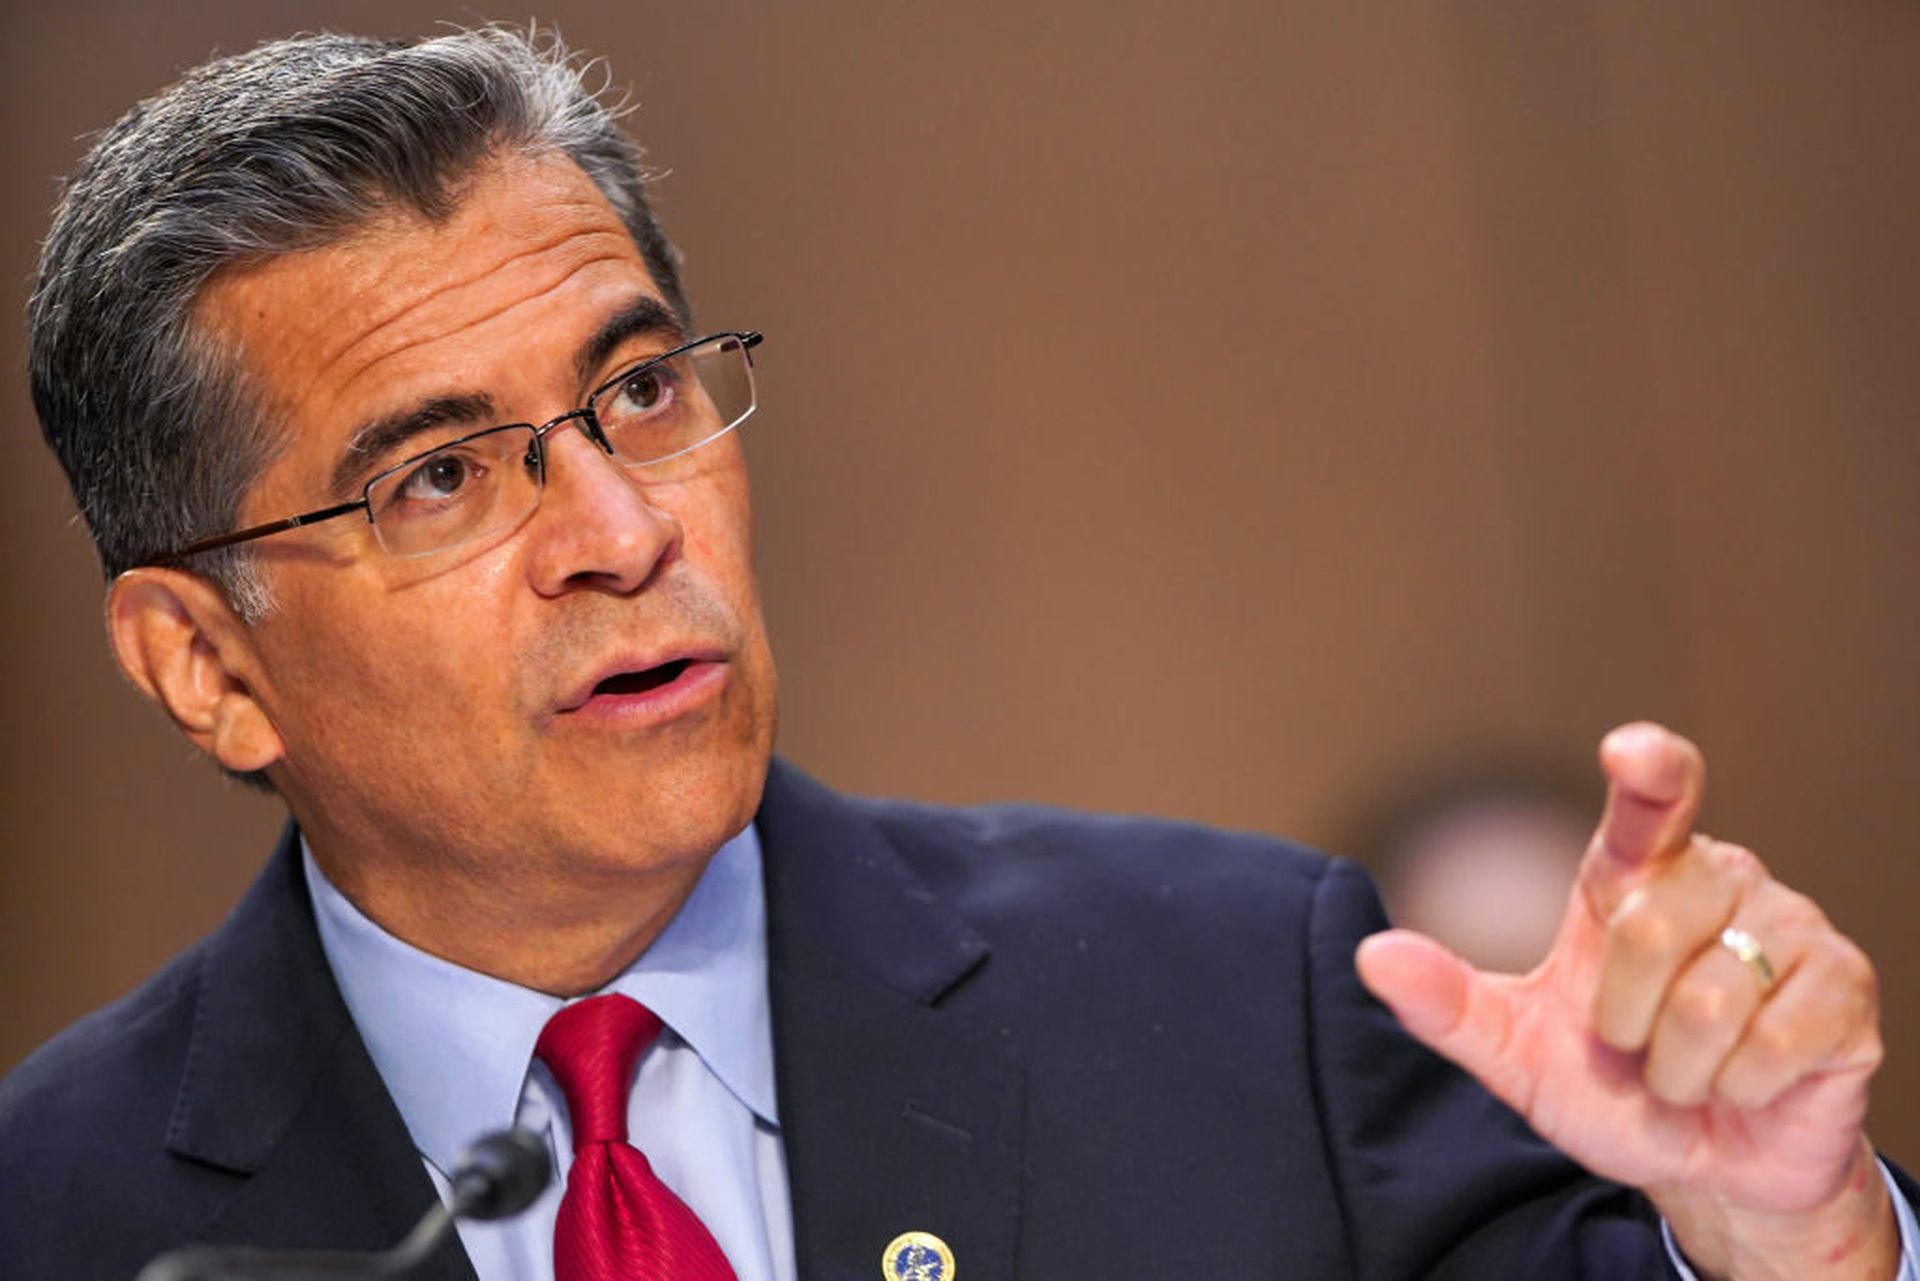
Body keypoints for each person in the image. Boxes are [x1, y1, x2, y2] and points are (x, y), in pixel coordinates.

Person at [0, 26, 1911, 1281]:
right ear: (202, 664)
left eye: (643, 390)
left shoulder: (1244, 1005)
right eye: (437, 478)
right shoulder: (57, 1212)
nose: (624, 529)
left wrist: (1785, 1231)